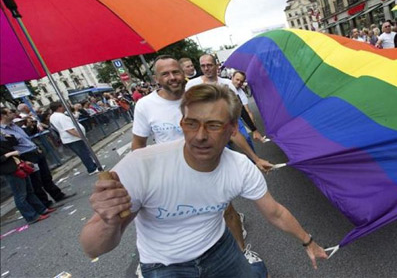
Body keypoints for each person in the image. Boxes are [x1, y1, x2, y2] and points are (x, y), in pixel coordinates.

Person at [79, 84, 328, 277]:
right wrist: (108, 220)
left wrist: (308, 241)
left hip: (220, 250)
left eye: (213, 125)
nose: (199, 136)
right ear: (182, 124)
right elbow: (93, 248)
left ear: (232, 130)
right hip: (164, 266)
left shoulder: (241, 168)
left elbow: (274, 212)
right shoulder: (141, 165)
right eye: (192, 123)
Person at [134, 54, 272, 264]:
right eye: (165, 74)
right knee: (182, 219)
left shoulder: (200, 98)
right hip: (171, 174)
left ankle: (242, 254)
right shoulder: (145, 106)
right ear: (156, 79)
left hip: (207, 167)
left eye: (176, 72)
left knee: (227, 210)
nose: (172, 77)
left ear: (184, 74)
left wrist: (255, 158)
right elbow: (138, 145)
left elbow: (231, 132)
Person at [1, 107, 76, 207]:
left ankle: (58, 195)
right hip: (25, 155)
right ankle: (45, 203)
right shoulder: (2, 131)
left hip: (34, 151)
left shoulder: (15, 125)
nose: (13, 113)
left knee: (46, 176)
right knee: (36, 181)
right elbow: (8, 146)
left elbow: (26, 138)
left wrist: (36, 147)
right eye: (10, 112)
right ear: (3, 115)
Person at [0, 130, 56, 224]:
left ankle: (41, 209)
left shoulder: (2, 139)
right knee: (20, 194)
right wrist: (10, 154)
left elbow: (13, 143)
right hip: (10, 169)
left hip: (18, 165)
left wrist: (6, 135)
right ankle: (31, 216)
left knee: (29, 191)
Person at [49, 101, 100, 174]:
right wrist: (82, 137)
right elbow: (69, 129)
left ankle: (92, 166)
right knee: (84, 154)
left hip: (68, 139)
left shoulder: (53, 116)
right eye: (63, 106)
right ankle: (92, 168)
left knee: (83, 153)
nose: (65, 107)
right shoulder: (61, 117)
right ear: (59, 107)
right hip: (73, 139)